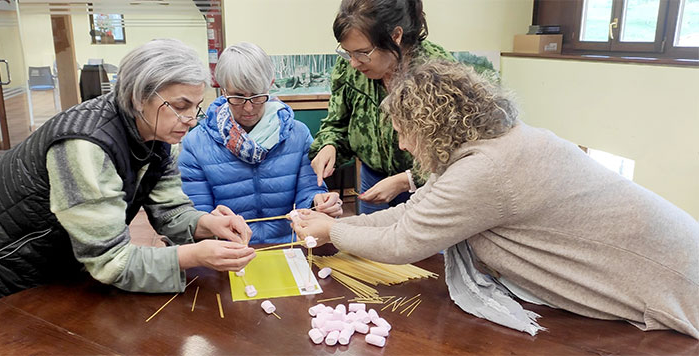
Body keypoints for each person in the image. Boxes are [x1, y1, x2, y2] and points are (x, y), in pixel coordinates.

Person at [293, 60, 699, 339]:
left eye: (403, 130)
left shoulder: (485, 170)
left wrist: (332, 230)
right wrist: (337, 227)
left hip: (677, 279)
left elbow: (403, 242)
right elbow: (411, 213)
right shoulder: (488, 145)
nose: (400, 143)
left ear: (431, 125)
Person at [0, 39, 256, 308]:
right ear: (139, 97)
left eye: (196, 107)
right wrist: (195, 256)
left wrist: (207, 224)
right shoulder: (85, 146)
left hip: (50, 250)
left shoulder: (159, 133)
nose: (190, 120)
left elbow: (171, 210)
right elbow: (111, 261)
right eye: (181, 106)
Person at [179, 42, 342, 245]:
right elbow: (197, 215)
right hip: (228, 250)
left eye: (257, 96)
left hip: (289, 245)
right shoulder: (197, 144)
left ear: (270, 85)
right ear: (224, 91)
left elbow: (309, 190)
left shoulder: (297, 134)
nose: (248, 108)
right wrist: (210, 221)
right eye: (237, 97)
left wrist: (319, 203)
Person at [309, 0, 453, 214]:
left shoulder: (439, 73)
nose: (353, 63)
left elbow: (454, 152)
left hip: (429, 186)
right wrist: (329, 146)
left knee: (421, 244)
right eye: (347, 53)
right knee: (371, 239)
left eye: (362, 53)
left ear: (396, 36)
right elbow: (336, 124)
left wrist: (407, 180)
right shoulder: (350, 68)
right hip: (372, 178)